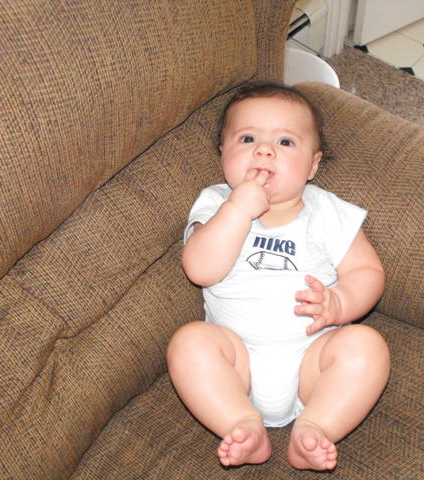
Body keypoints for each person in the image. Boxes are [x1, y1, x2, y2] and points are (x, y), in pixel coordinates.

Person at [167, 83, 390, 471]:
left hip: (313, 359)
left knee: (367, 346)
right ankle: (241, 423)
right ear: (223, 151)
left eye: (285, 142)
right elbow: (200, 270)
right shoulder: (216, 202)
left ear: (313, 165)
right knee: (188, 343)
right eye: (248, 138)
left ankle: (316, 426)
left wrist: (339, 303)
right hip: (235, 361)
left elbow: (367, 272)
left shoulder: (327, 212)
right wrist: (238, 210)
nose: (264, 150)